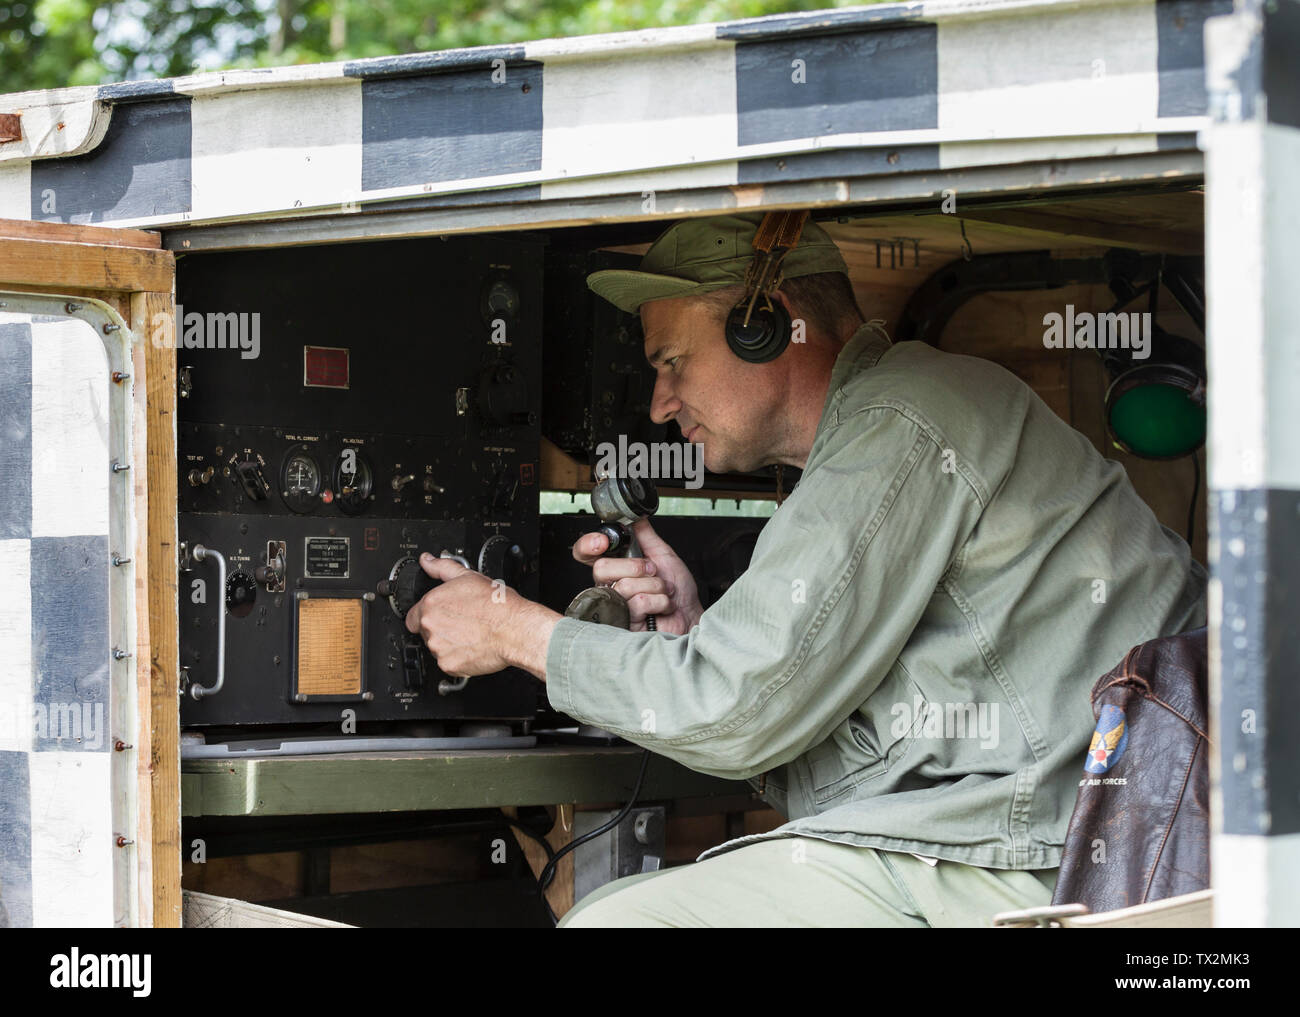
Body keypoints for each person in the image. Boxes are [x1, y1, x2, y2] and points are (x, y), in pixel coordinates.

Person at [406, 212, 1208, 927]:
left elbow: (736, 706)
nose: (658, 403)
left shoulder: (903, 421)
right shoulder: (903, 416)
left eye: (673, 361)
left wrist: (511, 627)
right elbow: (827, 721)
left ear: (767, 324)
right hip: (1040, 843)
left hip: (1035, 865)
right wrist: (695, 637)